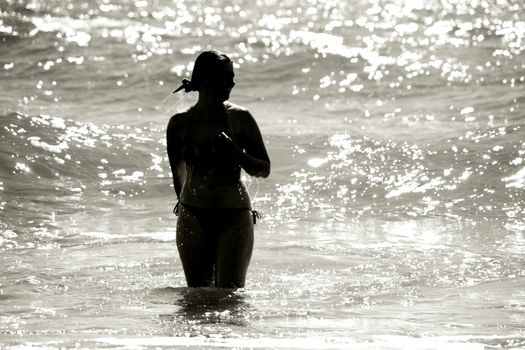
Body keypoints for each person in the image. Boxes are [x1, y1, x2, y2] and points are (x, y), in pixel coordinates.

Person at [166, 51, 271, 289]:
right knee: (197, 296)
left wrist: (235, 152)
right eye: (225, 77)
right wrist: (182, 205)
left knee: (230, 295)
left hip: (234, 214)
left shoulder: (240, 119)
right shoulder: (179, 124)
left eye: (232, 77)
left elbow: (263, 169)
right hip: (192, 214)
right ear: (204, 79)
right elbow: (178, 173)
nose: (232, 83)